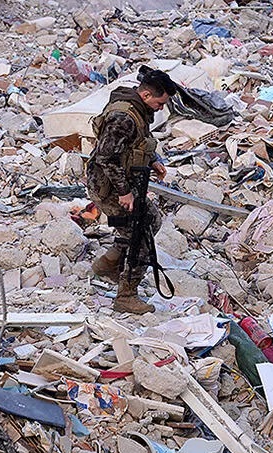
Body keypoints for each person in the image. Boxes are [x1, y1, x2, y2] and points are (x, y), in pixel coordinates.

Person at [87, 66, 177, 314]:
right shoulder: (123, 117)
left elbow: (136, 142)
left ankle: (108, 264)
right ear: (146, 95)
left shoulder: (138, 108)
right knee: (141, 235)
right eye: (159, 103)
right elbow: (106, 158)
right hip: (109, 186)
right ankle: (126, 295)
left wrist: (153, 160)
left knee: (151, 220)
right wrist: (124, 192)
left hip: (124, 181)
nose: (160, 108)